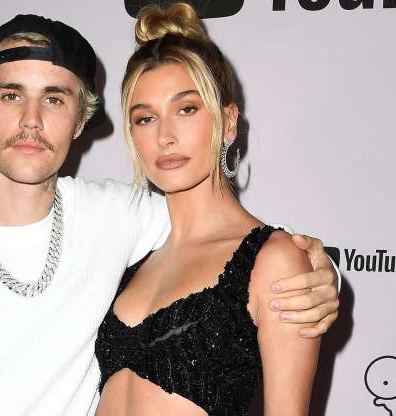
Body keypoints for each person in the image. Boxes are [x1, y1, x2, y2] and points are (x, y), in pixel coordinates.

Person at [0, 12, 339, 416]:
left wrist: (319, 270)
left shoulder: (114, 217)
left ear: (81, 120)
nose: (30, 120)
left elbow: (240, 247)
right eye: (11, 95)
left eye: (54, 99)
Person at [95, 4, 324, 415]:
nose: (165, 136)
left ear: (228, 121)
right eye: (145, 119)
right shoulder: (135, 260)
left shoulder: (273, 260)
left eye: (186, 109)